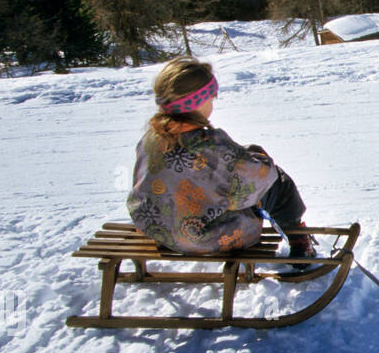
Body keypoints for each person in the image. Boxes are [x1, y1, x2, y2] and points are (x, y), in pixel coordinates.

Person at [127, 56, 315, 259]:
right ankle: (298, 240)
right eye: (211, 97)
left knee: (245, 161)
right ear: (198, 102)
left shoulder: (151, 139)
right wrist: (261, 159)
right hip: (204, 238)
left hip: (157, 230)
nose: (212, 103)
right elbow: (260, 178)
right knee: (276, 180)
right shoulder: (211, 146)